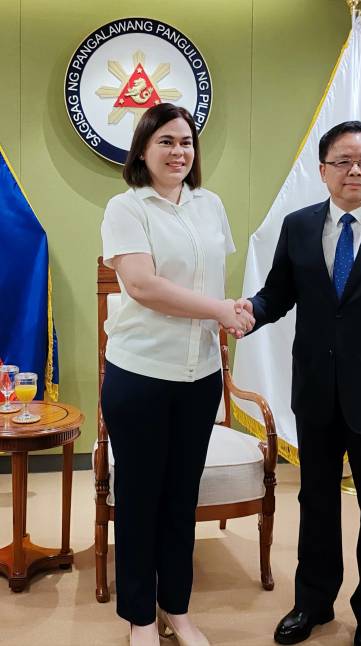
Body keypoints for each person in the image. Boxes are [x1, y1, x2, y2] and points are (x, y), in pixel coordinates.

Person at [234, 121, 361, 646]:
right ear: (323, 169)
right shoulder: (299, 226)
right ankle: (313, 603)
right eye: (344, 161)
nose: (355, 170)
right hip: (316, 391)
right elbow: (278, 293)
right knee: (317, 501)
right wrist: (246, 312)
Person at [100, 103, 253, 646]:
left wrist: (231, 313)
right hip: (140, 374)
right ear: (143, 150)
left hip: (200, 375)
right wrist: (219, 311)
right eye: (165, 141)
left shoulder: (210, 205)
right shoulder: (125, 207)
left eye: (186, 141)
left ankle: (177, 609)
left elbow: (213, 281)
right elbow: (142, 286)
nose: (178, 151)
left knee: (182, 497)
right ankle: (140, 617)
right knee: (139, 499)